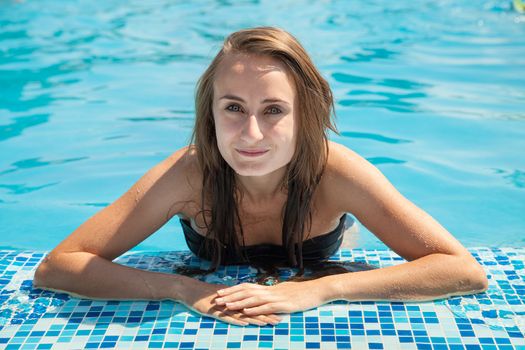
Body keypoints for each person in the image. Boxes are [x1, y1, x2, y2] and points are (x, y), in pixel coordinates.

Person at [33, 26, 488, 327]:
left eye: (273, 110)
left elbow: (463, 271)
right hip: (210, 266)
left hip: (325, 250)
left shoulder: (336, 172)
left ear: (304, 115)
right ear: (210, 115)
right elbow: (58, 265)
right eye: (233, 108)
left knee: (345, 245)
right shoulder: (190, 175)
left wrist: (322, 289)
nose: (250, 134)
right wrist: (183, 289)